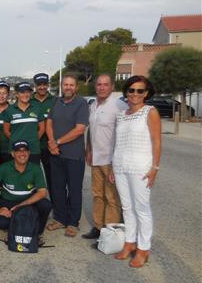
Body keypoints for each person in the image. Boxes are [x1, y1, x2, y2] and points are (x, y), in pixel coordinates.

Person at [110, 75, 161, 268]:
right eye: (131, 90)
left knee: (142, 209)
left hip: (141, 167)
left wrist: (155, 168)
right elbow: (118, 142)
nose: (135, 94)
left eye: (140, 90)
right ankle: (129, 243)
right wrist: (114, 167)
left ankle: (143, 249)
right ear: (126, 92)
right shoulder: (122, 114)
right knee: (127, 208)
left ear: (146, 93)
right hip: (121, 166)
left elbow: (157, 141)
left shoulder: (150, 112)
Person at [82, 74, 127, 241]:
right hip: (96, 159)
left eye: (105, 85)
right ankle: (98, 227)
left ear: (112, 87)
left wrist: (117, 163)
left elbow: (124, 135)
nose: (101, 87)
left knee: (112, 197)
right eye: (99, 84)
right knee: (97, 195)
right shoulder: (93, 105)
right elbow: (91, 131)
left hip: (111, 160)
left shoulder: (119, 105)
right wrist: (88, 149)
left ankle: (110, 234)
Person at [45, 74, 89, 237]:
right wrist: (51, 141)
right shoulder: (56, 101)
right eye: (66, 85)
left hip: (74, 156)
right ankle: (60, 219)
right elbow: (49, 122)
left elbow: (79, 129)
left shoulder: (81, 104)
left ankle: (73, 223)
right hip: (56, 154)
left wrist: (57, 142)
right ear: (62, 86)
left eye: (71, 85)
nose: (68, 87)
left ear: (76, 87)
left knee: (74, 189)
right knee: (57, 188)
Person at [0, 140, 52, 245]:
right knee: (2, 223)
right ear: (13, 154)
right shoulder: (4, 167)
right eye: (18, 151)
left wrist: (21, 205)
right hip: (9, 202)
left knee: (46, 205)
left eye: (25, 151)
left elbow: (43, 192)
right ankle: (18, 228)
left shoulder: (35, 168)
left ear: (29, 153)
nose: (22, 154)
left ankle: (36, 233)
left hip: (28, 202)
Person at [4, 82, 45, 164]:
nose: (25, 95)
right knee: (15, 175)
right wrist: (16, 140)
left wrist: (34, 139)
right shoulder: (9, 110)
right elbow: (6, 131)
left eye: (28, 92)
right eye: (22, 92)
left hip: (33, 150)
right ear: (17, 94)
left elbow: (42, 128)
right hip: (15, 150)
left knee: (33, 175)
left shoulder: (37, 108)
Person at [31, 73, 55, 201]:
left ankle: (55, 206)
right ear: (35, 86)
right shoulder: (28, 101)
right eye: (39, 85)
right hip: (33, 147)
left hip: (49, 146)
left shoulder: (55, 101)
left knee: (52, 178)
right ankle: (34, 206)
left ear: (48, 85)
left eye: (44, 84)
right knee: (33, 178)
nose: (42, 87)